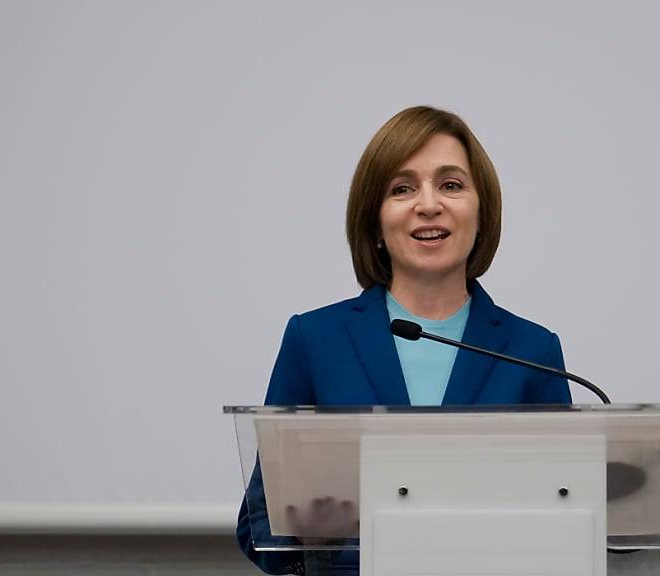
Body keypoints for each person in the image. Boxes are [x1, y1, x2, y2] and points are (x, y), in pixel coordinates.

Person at [237, 106, 572, 574]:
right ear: (375, 220)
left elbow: (568, 520)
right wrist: (311, 534)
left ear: (482, 212)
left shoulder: (533, 351)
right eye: (402, 189)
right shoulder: (315, 340)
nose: (429, 204)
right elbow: (259, 526)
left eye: (451, 185)